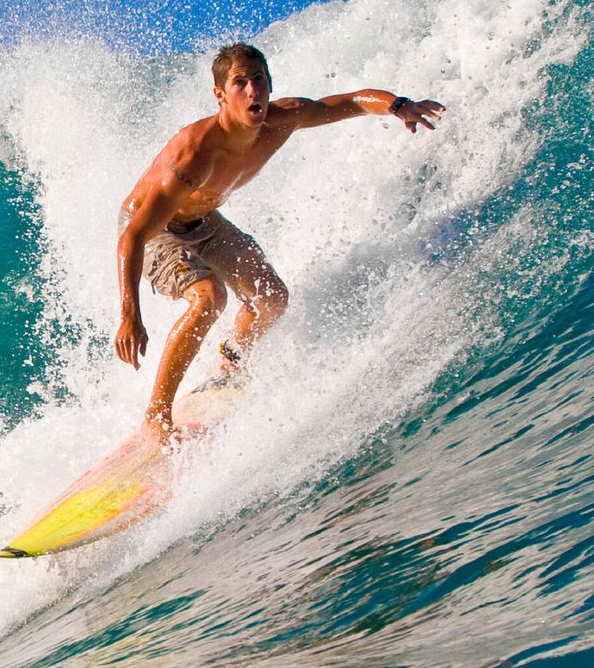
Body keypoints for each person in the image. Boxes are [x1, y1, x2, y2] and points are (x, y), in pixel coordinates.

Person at [115, 42, 445, 441]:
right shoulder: (195, 154)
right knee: (209, 297)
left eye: (259, 80)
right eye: (240, 83)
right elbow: (133, 236)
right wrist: (130, 315)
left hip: (203, 218)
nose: (253, 90)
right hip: (154, 227)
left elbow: (349, 102)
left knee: (271, 296)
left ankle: (230, 363)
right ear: (220, 95)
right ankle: (156, 417)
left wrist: (398, 105)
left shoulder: (281, 119)